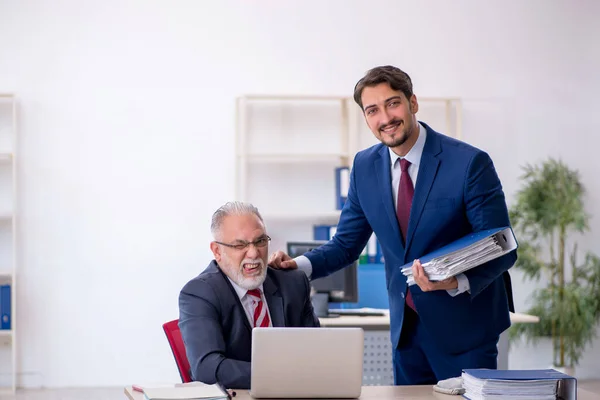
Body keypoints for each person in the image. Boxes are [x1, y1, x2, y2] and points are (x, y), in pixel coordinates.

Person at [269, 65, 516, 385]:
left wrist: (454, 281)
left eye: (393, 103)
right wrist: (296, 266)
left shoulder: (468, 163)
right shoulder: (364, 166)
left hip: (465, 331)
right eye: (373, 110)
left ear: (413, 102)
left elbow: (502, 247)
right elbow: (345, 245)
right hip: (406, 333)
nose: (385, 118)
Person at [178, 201, 320, 390]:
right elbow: (206, 368)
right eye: (240, 245)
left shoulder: (292, 283)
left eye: (260, 241)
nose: (253, 253)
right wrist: (277, 376)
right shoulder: (199, 293)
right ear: (217, 251)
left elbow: (317, 351)